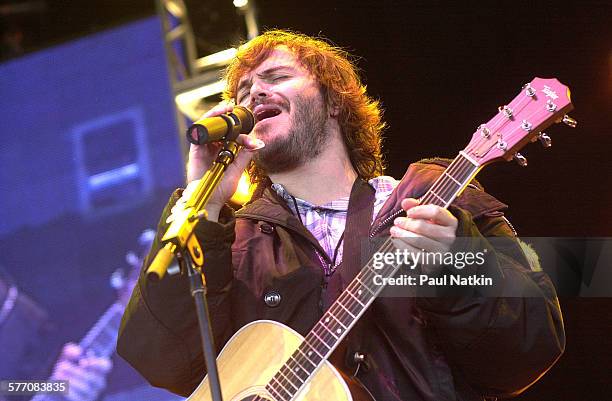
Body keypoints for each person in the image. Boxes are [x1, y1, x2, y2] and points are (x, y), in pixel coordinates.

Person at [117, 30, 565, 400]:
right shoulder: (232, 242)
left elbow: (529, 347)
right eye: (242, 91)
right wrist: (203, 197)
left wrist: (456, 262)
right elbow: (162, 359)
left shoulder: (433, 198)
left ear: (335, 101)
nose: (254, 92)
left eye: (277, 76)